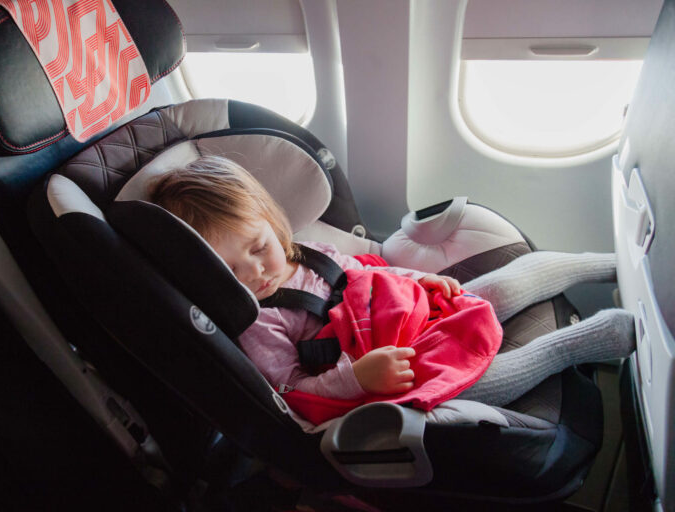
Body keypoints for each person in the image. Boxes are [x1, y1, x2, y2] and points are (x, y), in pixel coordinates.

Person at [149, 155, 635, 408]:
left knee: (500, 289)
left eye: (258, 248)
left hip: (412, 313)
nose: (255, 271)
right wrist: (358, 378)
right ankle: (574, 346)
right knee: (471, 389)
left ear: (273, 226)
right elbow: (294, 390)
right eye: (230, 270)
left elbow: (367, 272)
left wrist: (421, 279)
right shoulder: (258, 324)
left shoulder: (309, 254)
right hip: (392, 365)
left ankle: (599, 262)